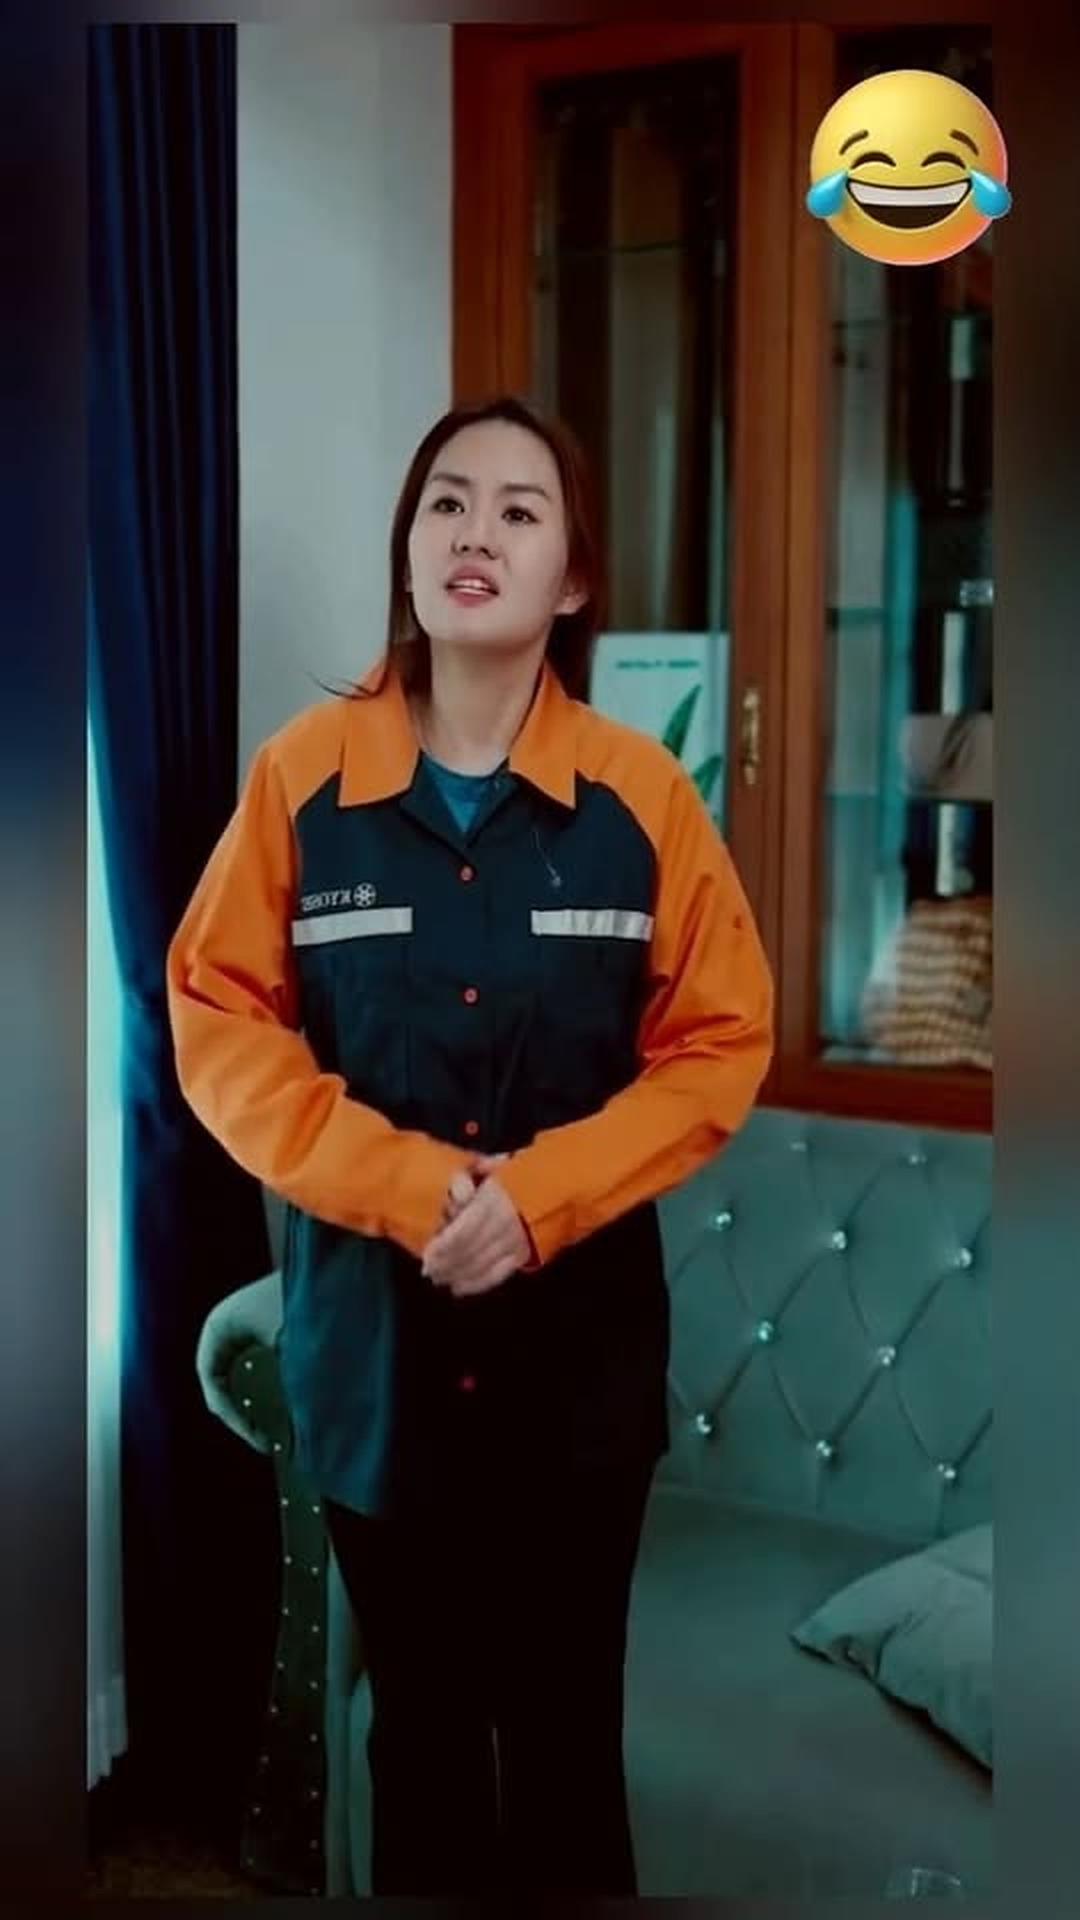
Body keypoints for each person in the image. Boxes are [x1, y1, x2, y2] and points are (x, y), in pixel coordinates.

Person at [166, 393, 774, 1897]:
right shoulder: (302, 778)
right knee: (423, 1753)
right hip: (377, 1367)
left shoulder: (641, 799)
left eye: (518, 508)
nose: (474, 532)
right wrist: (415, 1187)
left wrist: (540, 1199)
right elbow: (218, 1016)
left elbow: (718, 1043)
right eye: (446, 501)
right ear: (410, 548)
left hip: (582, 1377)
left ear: (573, 578)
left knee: (566, 1754)